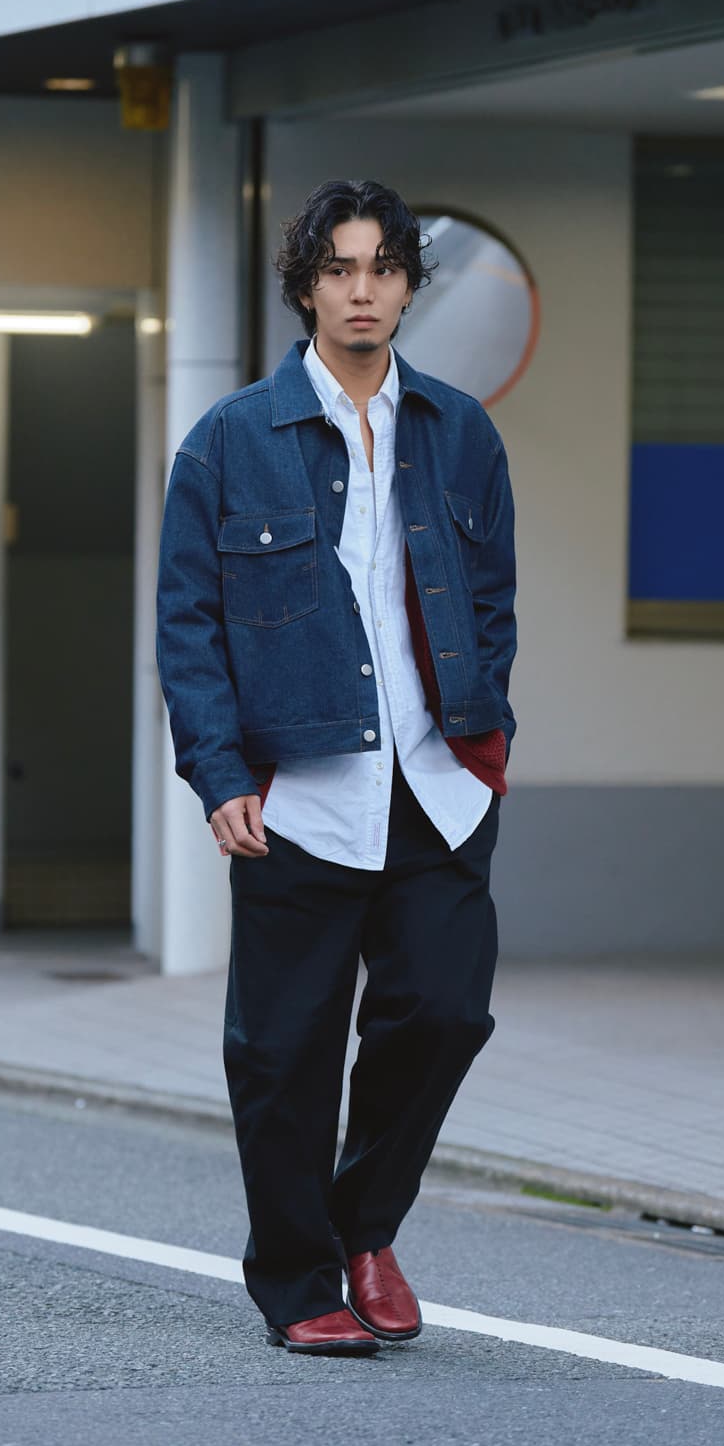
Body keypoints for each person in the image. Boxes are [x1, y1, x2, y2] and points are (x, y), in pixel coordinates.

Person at [156, 179, 517, 1356]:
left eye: (382, 268)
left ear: (408, 285)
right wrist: (219, 773)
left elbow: (493, 601)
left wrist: (485, 736)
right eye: (338, 269)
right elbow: (188, 624)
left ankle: (366, 1228)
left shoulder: (459, 431)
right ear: (305, 287)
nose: (362, 290)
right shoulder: (229, 440)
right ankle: (299, 1279)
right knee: (284, 1052)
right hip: (298, 795)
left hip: (435, 785)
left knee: (444, 1011)